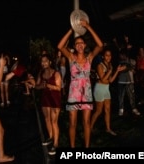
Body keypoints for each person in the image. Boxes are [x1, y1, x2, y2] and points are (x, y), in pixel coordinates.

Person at [57, 19, 103, 148]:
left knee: (86, 122)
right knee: (72, 123)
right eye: (77, 43)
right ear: (74, 46)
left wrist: (88, 26)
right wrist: (72, 29)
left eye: (82, 42)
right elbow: (60, 46)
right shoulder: (71, 58)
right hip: (74, 95)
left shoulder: (90, 57)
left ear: (85, 45)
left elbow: (100, 45)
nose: (80, 45)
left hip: (86, 95)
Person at [90, 47, 126, 135]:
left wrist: (116, 71)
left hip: (106, 89)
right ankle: (89, 127)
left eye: (110, 55)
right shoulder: (100, 65)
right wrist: (110, 71)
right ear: (103, 56)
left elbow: (110, 80)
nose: (108, 57)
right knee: (98, 111)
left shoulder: (110, 66)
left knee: (107, 110)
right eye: (106, 55)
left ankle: (108, 129)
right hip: (99, 88)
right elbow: (102, 79)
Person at [35, 54, 61, 155]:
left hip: (54, 99)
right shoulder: (41, 73)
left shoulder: (56, 73)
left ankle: (56, 144)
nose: (44, 63)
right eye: (42, 61)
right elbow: (37, 86)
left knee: (54, 121)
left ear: (50, 62)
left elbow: (59, 88)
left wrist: (48, 85)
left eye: (46, 61)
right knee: (47, 119)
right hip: (45, 99)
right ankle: (51, 137)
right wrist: (41, 85)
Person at [117, 49, 141, 116]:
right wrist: (126, 67)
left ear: (124, 55)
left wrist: (127, 67)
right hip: (121, 81)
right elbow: (121, 69)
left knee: (131, 96)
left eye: (121, 55)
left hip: (130, 81)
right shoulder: (119, 62)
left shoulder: (132, 61)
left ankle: (133, 108)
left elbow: (132, 68)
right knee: (121, 96)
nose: (120, 56)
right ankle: (121, 109)